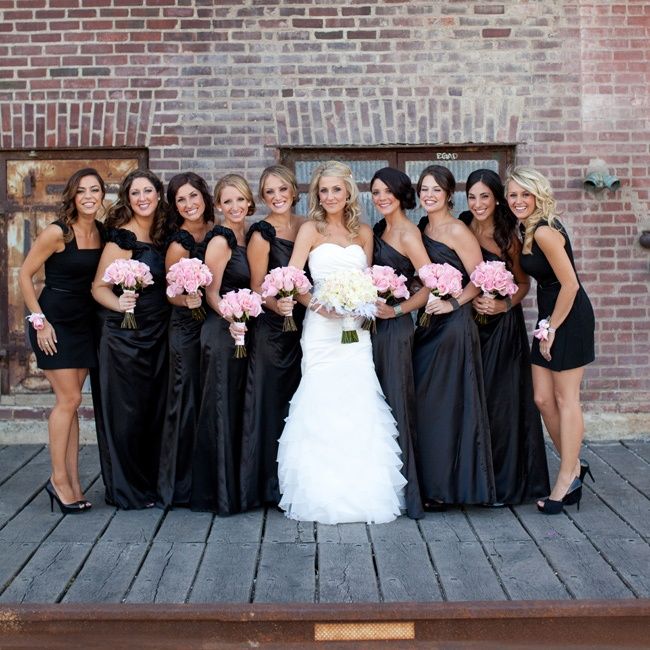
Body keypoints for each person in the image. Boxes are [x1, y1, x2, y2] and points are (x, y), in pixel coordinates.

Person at [277, 160, 406, 525]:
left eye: (336, 189)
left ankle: (363, 492)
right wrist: (321, 306)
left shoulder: (364, 232)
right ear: (317, 195)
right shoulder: (309, 230)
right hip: (321, 329)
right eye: (323, 190)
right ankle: (319, 491)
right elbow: (294, 281)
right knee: (322, 399)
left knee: (358, 398)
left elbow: (366, 280)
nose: (330, 196)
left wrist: (361, 306)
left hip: (357, 329)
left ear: (348, 191)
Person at [505, 167, 595, 514]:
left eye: (525, 194)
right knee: (543, 398)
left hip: (568, 318)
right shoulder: (526, 229)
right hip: (550, 315)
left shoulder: (544, 231)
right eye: (513, 195)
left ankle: (565, 480)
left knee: (565, 397)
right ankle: (573, 467)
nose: (518, 201)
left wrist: (552, 328)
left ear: (537, 195)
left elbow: (570, 284)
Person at [18, 168, 106, 514]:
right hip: (53, 322)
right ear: (72, 195)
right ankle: (58, 480)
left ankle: (72, 480)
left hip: (84, 323)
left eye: (95, 190)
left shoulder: (101, 232)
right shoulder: (58, 232)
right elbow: (25, 274)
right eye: (81, 190)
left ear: (102, 195)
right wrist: (40, 323)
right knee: (67, 400)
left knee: (73, 406)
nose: (88, 196)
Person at [460, 169, 550, 505]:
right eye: (472, 196)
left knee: (501, 405)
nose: (478, 203)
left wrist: (502, 305)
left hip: (502, 328)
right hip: (468, 326)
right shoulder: (463, 224)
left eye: (484, 196)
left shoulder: (509, 234)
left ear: (496, 198)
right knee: (471, 401)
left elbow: (525, 283)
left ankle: (504, 483)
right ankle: (472, 480)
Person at [412, 164, 495, 509]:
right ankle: (431, 483)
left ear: (448, 194)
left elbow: (480, 277)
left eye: (436, 190)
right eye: (424, 190)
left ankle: (449, 489)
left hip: (455, 326)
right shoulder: (422, 227)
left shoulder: (458, 230)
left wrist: (453, 303)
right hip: (428, 325)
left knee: (447, 406)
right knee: (427, 405)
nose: (429, 196)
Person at [92, 169, 171, 509]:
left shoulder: (163, 235)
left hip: (158, 334)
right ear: (127, 198)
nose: (142, 198)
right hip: (125, 337)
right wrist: (121, 303)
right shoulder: (122, 239)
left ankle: (152, 483)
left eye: (148, 191)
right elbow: (98, 288)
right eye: (135, 193)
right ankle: (127, 488)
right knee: (127, 412)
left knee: (153, 410)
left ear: (157, 195)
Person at [239, 165, 306, 511]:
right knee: (269, 402)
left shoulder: (307, 226)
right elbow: (255, 287)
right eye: (269, 193)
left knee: (300, 404)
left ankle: (296, 481)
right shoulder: (261, 233)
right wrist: (277, 303)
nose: (277, 197)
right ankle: (265, 485)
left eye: (283, 190)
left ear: (294, 191)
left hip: (305, 328)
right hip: (271, 330)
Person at [369, 167, 431, 520]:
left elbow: (430, 284)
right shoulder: (380, 229)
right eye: (375, 192)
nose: (381, 198)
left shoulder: (407, 233)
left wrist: (397, 309)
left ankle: (408, 494)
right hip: (373, 329)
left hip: (395, 329)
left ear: (401, 194)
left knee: (396, 405)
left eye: (387, 191)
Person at [189, 174, 254, 515]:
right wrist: (232, 317)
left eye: (240, 199)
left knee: (237, 405)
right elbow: (209, 292)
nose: (235, 206)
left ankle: (238, 486)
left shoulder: (248, 234)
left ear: (249, 201)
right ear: (218, 206)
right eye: (227, 201)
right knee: (220, 404)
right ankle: (219, 493)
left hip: (242, 329)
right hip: (222, 331)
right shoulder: (220, 239)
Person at [157, 172, 215, 508]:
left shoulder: (215, 230)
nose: (189, 204)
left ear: (205, 197)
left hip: (211, 324)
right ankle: (177, 486)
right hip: (185, 327)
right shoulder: (179, 243)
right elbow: (169, 293)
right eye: (181, 200)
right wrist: (187, 300)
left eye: (193, 197)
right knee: (185, 399)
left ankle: (203, 478)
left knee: (205, 398)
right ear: (175, 206)